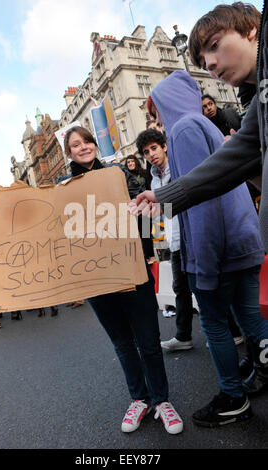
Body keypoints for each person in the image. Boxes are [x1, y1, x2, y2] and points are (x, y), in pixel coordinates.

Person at [130, 1, 268, 396]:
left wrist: (202, 261)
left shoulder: (186, 130)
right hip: (239, 243)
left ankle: (231, 394)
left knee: (218, 325)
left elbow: (207, 197)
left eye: (214, 46)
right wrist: (162, 197)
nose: (209, 63)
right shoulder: (236, 111)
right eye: (201, 57)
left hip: (217, 251)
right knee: (251, 319)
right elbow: (226, 169)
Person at [59, 126, 184, 434]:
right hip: (95, 280)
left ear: (94, 144)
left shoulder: (119, 175)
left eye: (87, 140)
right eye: (76, 145)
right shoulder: (61, 187)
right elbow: (52, 234)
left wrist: (151, 241)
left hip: (132, 271)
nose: (84, 147)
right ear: (69, 152)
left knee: (149, 340)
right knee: (123, 343)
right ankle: (139, 398)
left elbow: (151, 212)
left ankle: (161, 400)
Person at [136, 127, 243, 351]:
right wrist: (152, 242)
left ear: (164, 146)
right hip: (176, 242)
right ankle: (183, 336)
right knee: (180, 289)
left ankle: (232, 332)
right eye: (146, 152)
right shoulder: (154, 181)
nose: (151, 154)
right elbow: (161, 213)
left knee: (205, 288)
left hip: (193, 237)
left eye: (154, 148)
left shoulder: (179, 167)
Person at [124, 155, 156, 264]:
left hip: (145, 205)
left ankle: (151, 256)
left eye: (132, 162)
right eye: (128, 162)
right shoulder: (125, 177)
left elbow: (149, 186)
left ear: (136, 162)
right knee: (138, 233)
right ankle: (144, 258)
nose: (130, 164)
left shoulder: (143, 173)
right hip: (133, 207)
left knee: (146, 232)